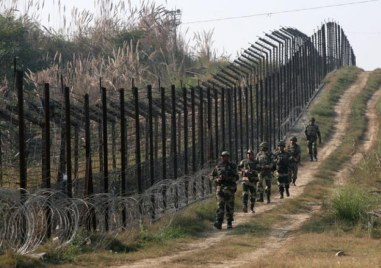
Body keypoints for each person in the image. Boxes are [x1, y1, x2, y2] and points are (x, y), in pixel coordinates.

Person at [210, 151, 239, 229]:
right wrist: (217, 179)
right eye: (223, 156)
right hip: (220, 189)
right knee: (220, 205)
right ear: (221, 157)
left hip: (230, 188)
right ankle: (219, 222)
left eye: (226, 156)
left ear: (228, 157)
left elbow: (237, 177)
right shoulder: (218, 166)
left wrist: (228, 178)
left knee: (229, 206)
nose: (224, 157)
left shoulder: (232, 166)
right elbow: (211, 176)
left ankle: (229, 222)